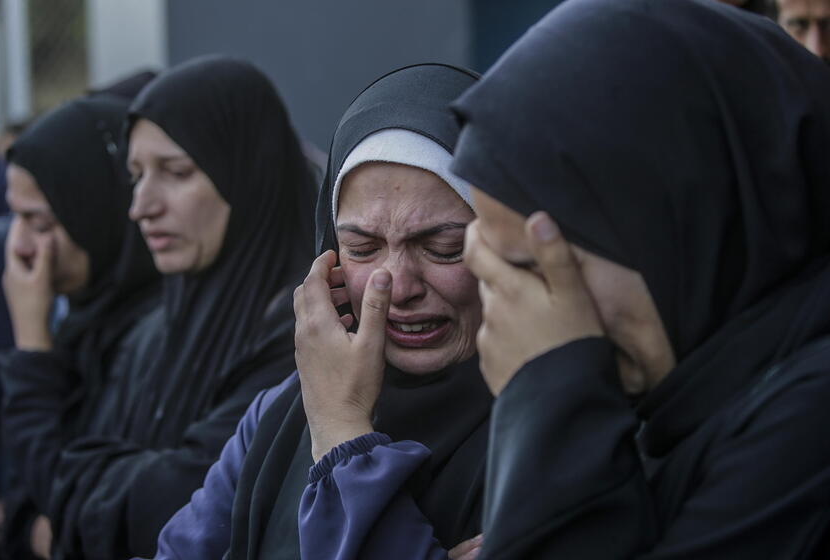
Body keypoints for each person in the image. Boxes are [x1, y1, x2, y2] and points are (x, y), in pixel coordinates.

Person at [448, 0, 830, 557]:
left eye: (534, 271)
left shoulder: (808, 426)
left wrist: (552, 396)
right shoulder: (678, 405)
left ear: (676, 222)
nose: (520, 312)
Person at [143, 63, 492, 560]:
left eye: (442, 246)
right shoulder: (282, 414)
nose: (394, 287)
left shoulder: (557, 439)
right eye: (362, 247)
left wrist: (343, 434)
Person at [3, 55, 317, 560]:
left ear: (244, 173)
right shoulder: (154, 331)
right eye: (135, 176)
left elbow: (171, 508)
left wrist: (75, 519)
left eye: (175, 172)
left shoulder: (303, 336)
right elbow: (67, 486)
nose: (141, 206)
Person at [0, 94, 161, 560]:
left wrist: (31, 346)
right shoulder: (86, 319)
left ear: (94, 213)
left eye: (40, 221)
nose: (22, 246)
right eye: (15, 217)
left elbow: (71, 501)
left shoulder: (149, 336)